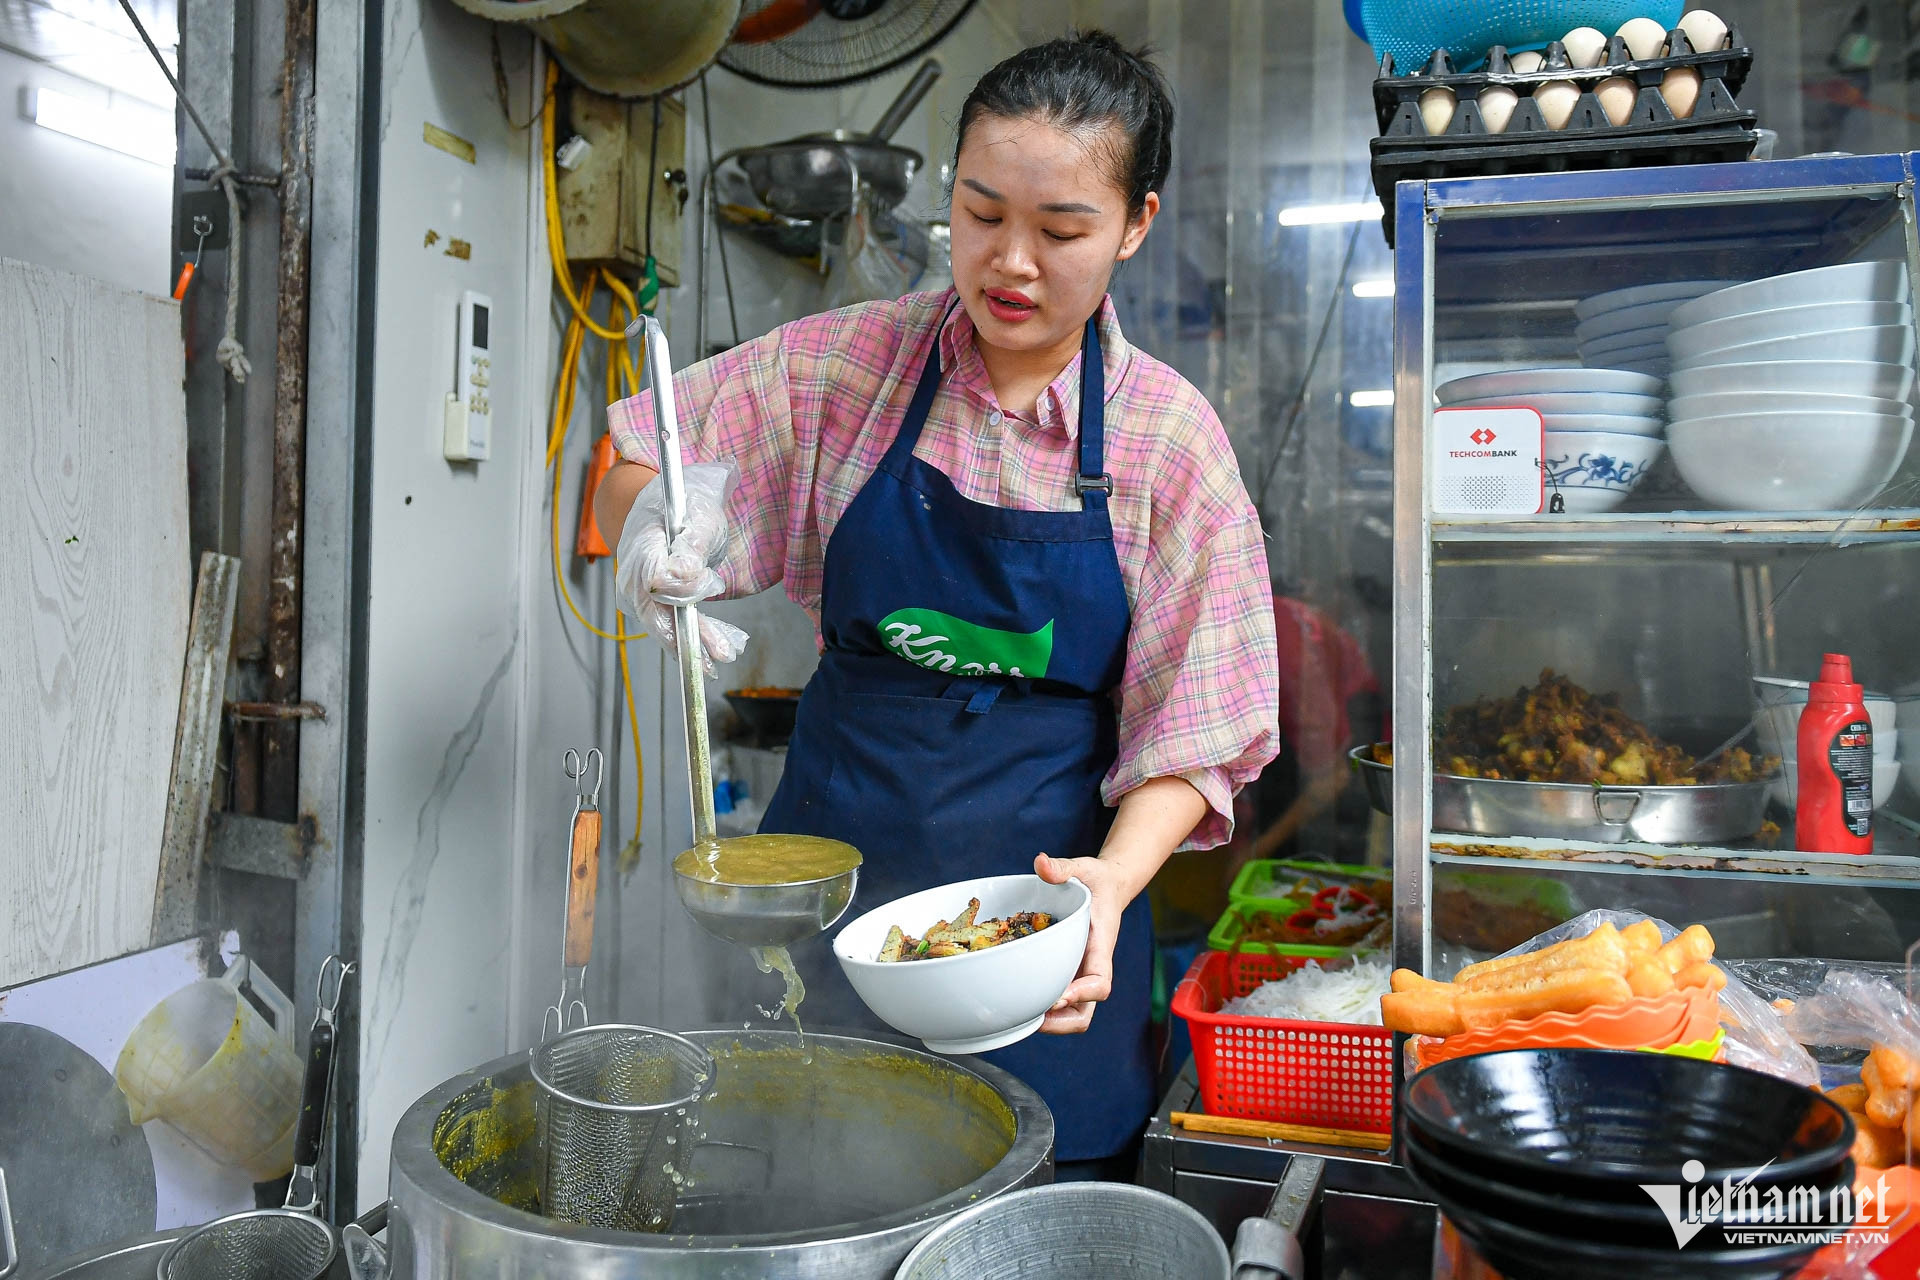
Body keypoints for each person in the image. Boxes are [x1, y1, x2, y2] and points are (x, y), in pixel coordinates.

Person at [596, 30, 1279, 1177]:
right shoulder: (850, 366)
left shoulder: (1170, 441)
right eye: (979, 213)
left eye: (1062, 230)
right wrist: (657, 526)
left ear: (1136, 225)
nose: (1010, 261)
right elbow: (631, 454)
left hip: (1052, 947)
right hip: (824, 927)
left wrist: (1114, 881)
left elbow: (1197, 730)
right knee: (802, 1189)